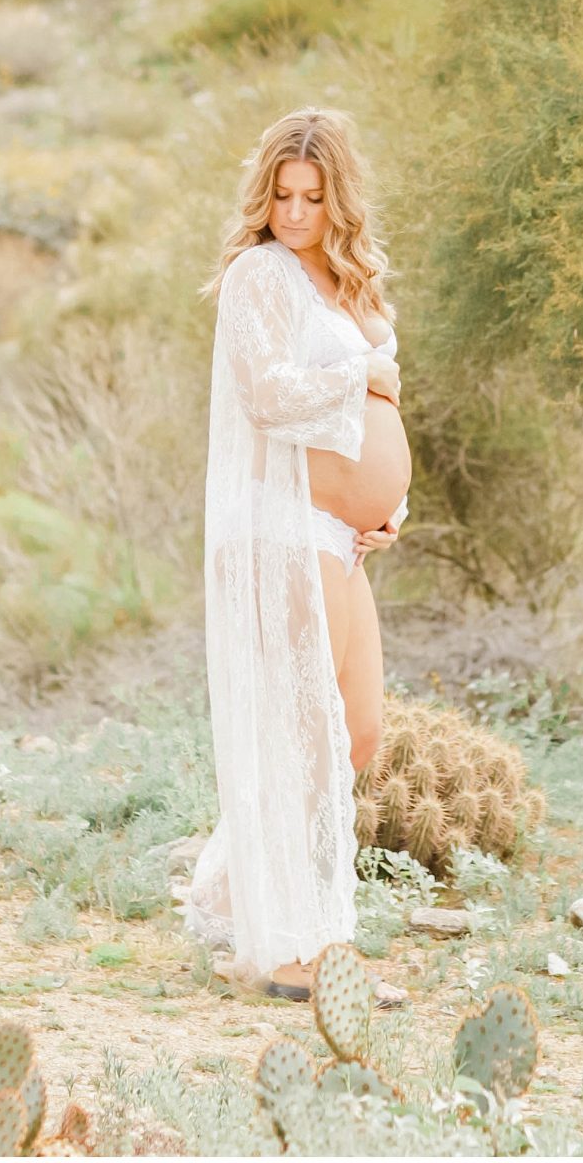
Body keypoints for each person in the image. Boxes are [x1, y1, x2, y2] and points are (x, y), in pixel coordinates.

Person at [182, 107, 411, 1008]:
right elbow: (269, 397)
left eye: (312, 197)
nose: (293, 213)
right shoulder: (258, 276)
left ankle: (234, 892)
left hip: (343, 536)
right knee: (303, 734)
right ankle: (298, 949)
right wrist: (361, 378)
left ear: (338, 198)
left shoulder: (350, 283)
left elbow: (386, 414)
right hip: (278, 528)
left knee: (354, 734)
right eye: (281, 195)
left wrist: (394, 504)